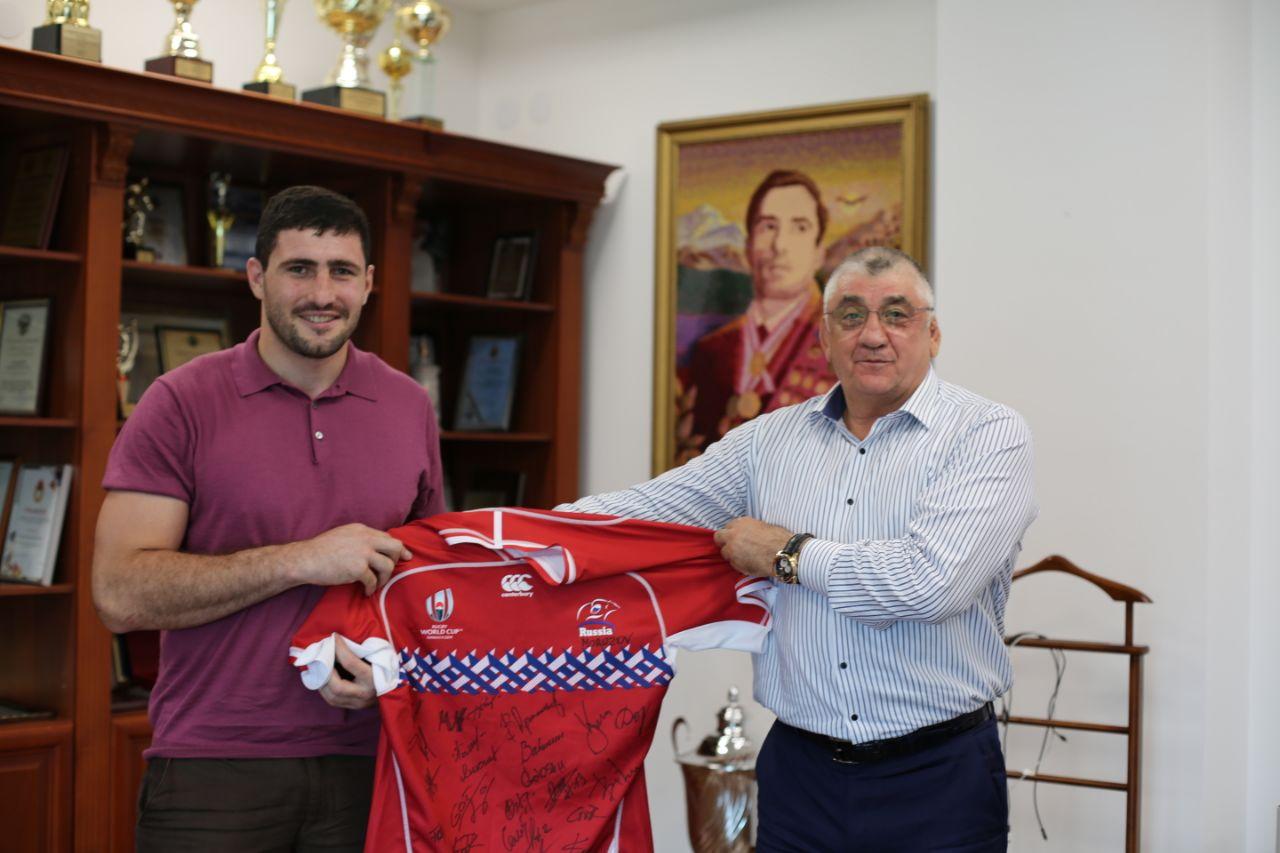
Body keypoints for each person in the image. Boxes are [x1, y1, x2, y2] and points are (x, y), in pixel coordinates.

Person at [567, 246, 1035, 850]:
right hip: (800, 774)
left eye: (897, 314)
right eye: (851, 315)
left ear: (933, 334)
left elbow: (929, 585)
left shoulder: (987, 435)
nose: (873, 335)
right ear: (824, 338)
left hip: (937, 776)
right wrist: (480, 538)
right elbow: (638, 512)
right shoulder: (767, 442)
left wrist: (788, 554)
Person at [92, 185, 445, 852]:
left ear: (368, 283)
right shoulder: (179, 401)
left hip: (374, 761)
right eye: (299, 269)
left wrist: (388, 669)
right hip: (212, 767)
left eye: (342, 271)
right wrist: (299, 560)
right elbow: (119, 593)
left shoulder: (408, 406)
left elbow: (428, 587)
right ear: (256, 276)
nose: (323, 293)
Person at [681, 169, 838, 455]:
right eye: (768, 226)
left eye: (800, 227)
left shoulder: (843, 348)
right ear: (748, 246)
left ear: (819, 253)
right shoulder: (710, 350)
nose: (779, 245)